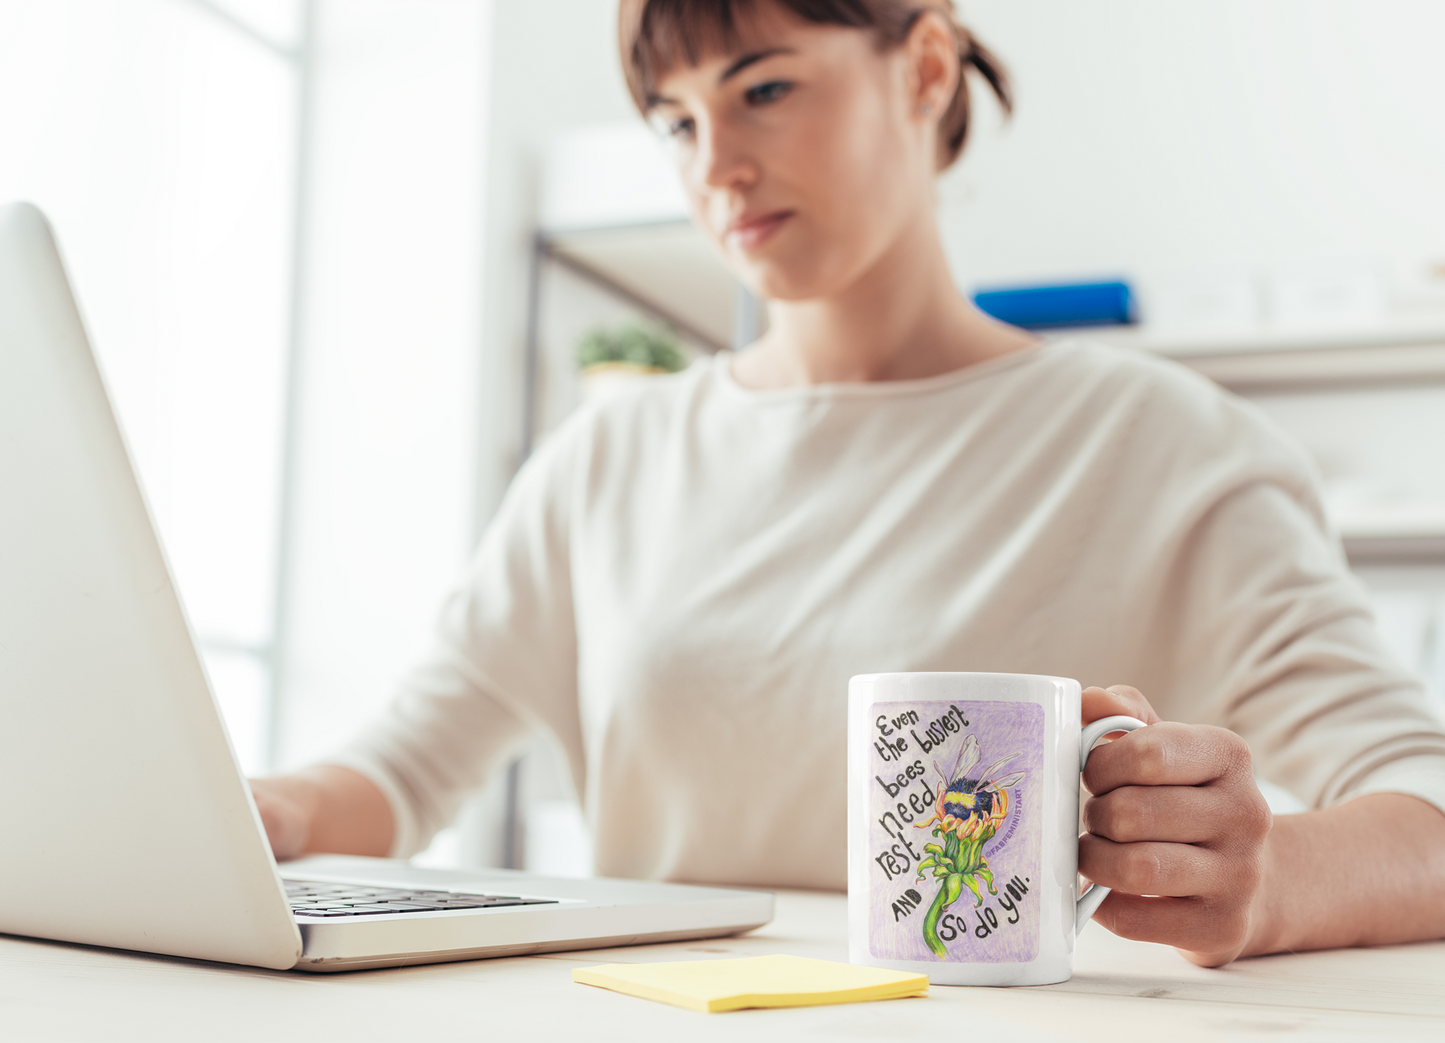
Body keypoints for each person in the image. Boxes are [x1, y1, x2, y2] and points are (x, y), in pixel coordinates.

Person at [251, 0, 1445, 968]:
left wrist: (1268, 876)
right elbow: (403, 769)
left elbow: (1426, 812)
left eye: (763, 87)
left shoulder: (1166, 446)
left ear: (924, 69)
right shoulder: (602, 461)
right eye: (675, 121)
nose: (715, 164)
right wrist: (269, 811)